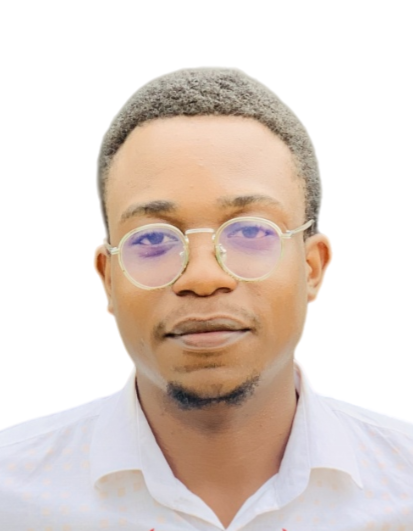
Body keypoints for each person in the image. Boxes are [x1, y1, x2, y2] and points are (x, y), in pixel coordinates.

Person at [0, 68, 412, 530]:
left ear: (311, 267)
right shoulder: (11, 499)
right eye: (152, 239)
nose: (202, 277)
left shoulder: (403, 491)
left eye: (251, 232)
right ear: (109, 279)